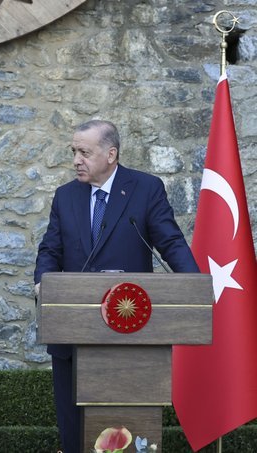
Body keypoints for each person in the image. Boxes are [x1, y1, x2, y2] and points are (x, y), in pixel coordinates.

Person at [33, 120, 199, 453]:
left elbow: (171, 242)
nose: (76, 160)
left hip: (130, 336)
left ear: (111, 154)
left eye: (84, 152)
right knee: (74, 431)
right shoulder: (65, 196)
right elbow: (50, 249)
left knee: (128, 431)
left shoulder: (145, 189)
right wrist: (42, 283)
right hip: (74, 332)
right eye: (74, 152)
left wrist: (196, 286)